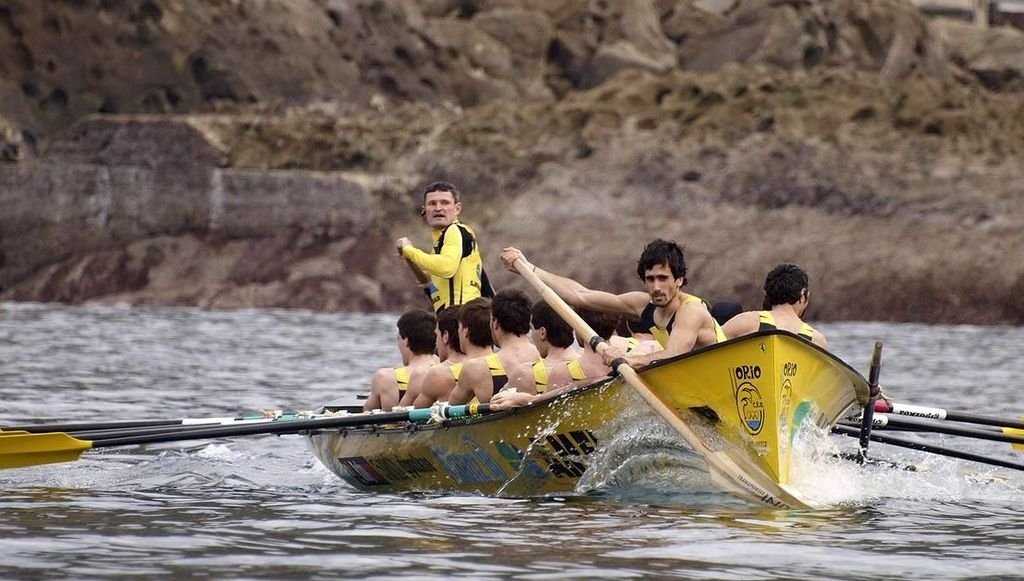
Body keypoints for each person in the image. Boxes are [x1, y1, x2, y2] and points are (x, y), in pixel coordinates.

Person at [499, 239, 725, 369]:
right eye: (650, 279)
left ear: (679, 280)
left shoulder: (691, 311)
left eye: (663, 279)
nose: (656, 287)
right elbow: (581, 295)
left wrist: (627, 359)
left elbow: (674, 354)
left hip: (724, 380)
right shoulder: (642, 305)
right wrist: (531, 269)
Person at [396, 181, 494, 312]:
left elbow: (447, 267)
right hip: (454, 319)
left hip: (460, 319)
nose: (438, 208)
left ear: (457, 209)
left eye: (445, 203)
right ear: (424, 210)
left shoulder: (455, 231)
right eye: (432, 204)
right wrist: (430, 285)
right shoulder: (443, 243)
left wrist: (410, 252)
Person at [447, 289, 539, 405]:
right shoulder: (547, 358)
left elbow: (449, 412)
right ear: (528, 320)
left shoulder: (476, 368)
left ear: (495, 323)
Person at [722, 263, 828, 348]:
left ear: (768, 293)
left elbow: (711, 342)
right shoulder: (817, 340)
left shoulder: (745, 322)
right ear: (803, 294)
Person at [413, 298, 495, 408]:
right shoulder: (507, 363)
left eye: (460, 328)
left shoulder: (439, 374)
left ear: (465, 331)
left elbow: (414, 413)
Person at [363, 309, 437, 411]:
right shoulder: (447, 372)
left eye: (398, 339)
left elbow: (367, 413)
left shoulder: (385, 378)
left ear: (406, 341)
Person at [398, 305, 462, 407]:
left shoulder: (429, 374)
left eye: (436, 335)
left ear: (445, 336)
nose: (436, 343)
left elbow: (401, 415)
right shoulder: (485, 366)